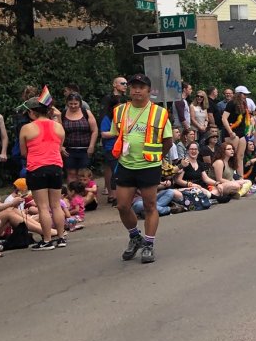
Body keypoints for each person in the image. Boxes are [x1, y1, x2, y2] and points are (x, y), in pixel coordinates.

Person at [112, 74, 173, 264]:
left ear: (149, 90)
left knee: (149, 206)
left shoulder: (159, 113)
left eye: (141, 87)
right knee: (122, 205)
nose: (137, 90)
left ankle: (148, 244)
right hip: (126, 164)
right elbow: (118, 134)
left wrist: (157, 157)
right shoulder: (120, 111)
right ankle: (135, 236)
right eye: (134, 87)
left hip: (149, 165)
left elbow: (168, 141)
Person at [19, 99, 67, 250]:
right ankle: (61, 237)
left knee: (43, 207)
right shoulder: (58, 127)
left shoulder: (27, 128)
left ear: (32, 112)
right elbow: (59, 147)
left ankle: (47, 240)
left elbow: (23, 152)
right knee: (56, 205)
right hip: (55, 167)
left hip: (37, 168)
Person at [61, 92, 98, 183]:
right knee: (71, 173)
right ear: (67, 103)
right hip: (69, 150)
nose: (73, 106)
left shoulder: (86, 113)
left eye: (75, 104)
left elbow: (95, 130)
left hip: (85, 149)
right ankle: (72, 195)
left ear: (80, 103)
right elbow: (59, 132)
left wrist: (92, 146)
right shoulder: (63, 114)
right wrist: (61, 146)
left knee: (84, 174)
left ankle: (86, 195)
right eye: (71, 104)